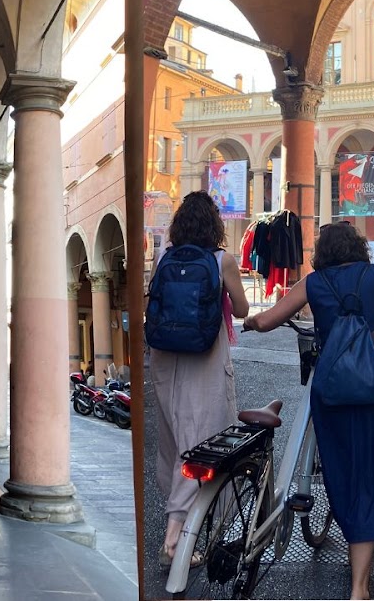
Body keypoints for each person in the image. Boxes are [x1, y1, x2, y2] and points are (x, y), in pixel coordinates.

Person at [244, 221, 374, 601]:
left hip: (333, 387)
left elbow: (266, 320)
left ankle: (347, 533)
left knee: (344, 471)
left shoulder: (313, 283)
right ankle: (359, 587)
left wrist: (249, 321)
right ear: (357, 247)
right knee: (371, 473)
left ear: (322, 253)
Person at [150, 191, 250, 566]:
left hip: (164, 356)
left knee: (175, 442)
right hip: (204, 356)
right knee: (202, 446)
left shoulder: (162, 256)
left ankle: (183, 522)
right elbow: (240, 309)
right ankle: (174, 540)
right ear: (214, 224)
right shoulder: (223, 259)